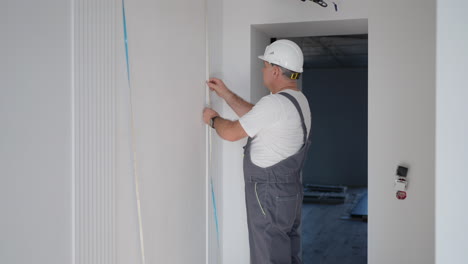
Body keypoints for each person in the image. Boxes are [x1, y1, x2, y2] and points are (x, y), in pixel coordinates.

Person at [203, 39, 312, 264]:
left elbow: (232, 132)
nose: (262, 71)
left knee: (268, 257)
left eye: (265, 66)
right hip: (289, 192)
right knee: (287, 255)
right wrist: (225, 94)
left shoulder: (274, 104)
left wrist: (213, 120)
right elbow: (258, 117)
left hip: (268, 195)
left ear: (275, 70)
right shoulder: (297, 101)